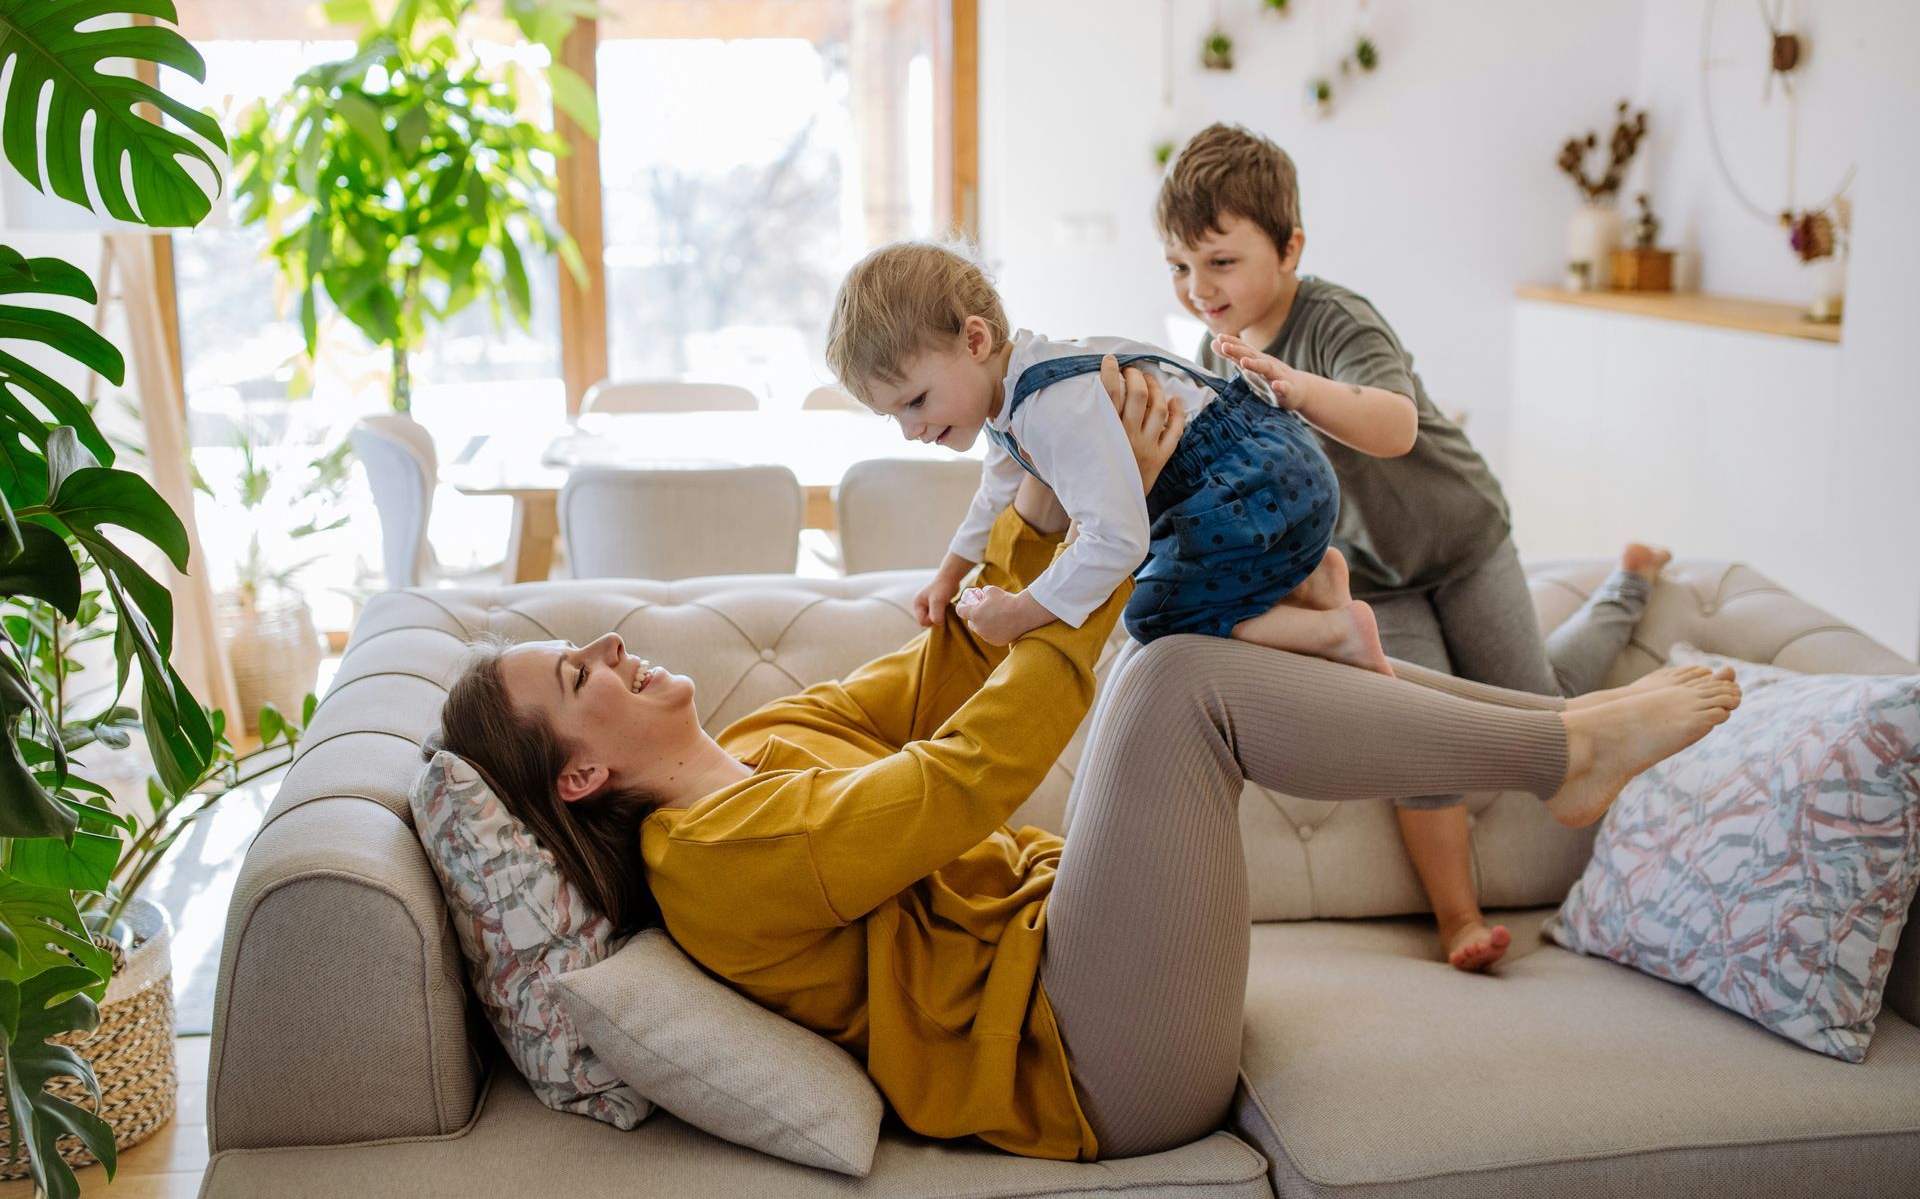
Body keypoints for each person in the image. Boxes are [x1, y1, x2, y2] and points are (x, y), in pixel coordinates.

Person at [434, 366, 1740, 1162]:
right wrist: (1107, 562)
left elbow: (944, 677)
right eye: (574, 678)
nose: (605, 646)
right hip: (1098, 1066)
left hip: (1103, 961)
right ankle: (1559, 748)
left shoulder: (764, 742)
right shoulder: (714, 863)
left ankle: (1556, 744)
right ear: (581, 781)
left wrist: (1048, 516)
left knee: (1178, 654)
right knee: (1168, 670)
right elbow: (961, 782)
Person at [1157, 122, 1672, 972]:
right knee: (1424, 736)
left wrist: (1290, 384)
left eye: (1220, 262)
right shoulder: (1210, 356)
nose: (1197, 287)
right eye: (1179, 266)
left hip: (1461, 536)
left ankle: (1627, 583)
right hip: (1377, 579)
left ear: (1289, 249)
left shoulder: (1334, 318)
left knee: (1536, 705)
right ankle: (1458, 920)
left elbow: (1392, 427)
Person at [823, 239, 1393, 677]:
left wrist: (1023, 610)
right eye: (893, 416)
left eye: (915, 402)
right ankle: (1316, 579)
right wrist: (950, 575)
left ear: (975, 341)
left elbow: (1117, 540)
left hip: (1253, 485)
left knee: (1152, 616)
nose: (910, 430)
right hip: (1269, 471)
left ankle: (1338, 633)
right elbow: (993, 496)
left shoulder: (1052, 410)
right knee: (1164, 580)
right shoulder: (1011, 395)